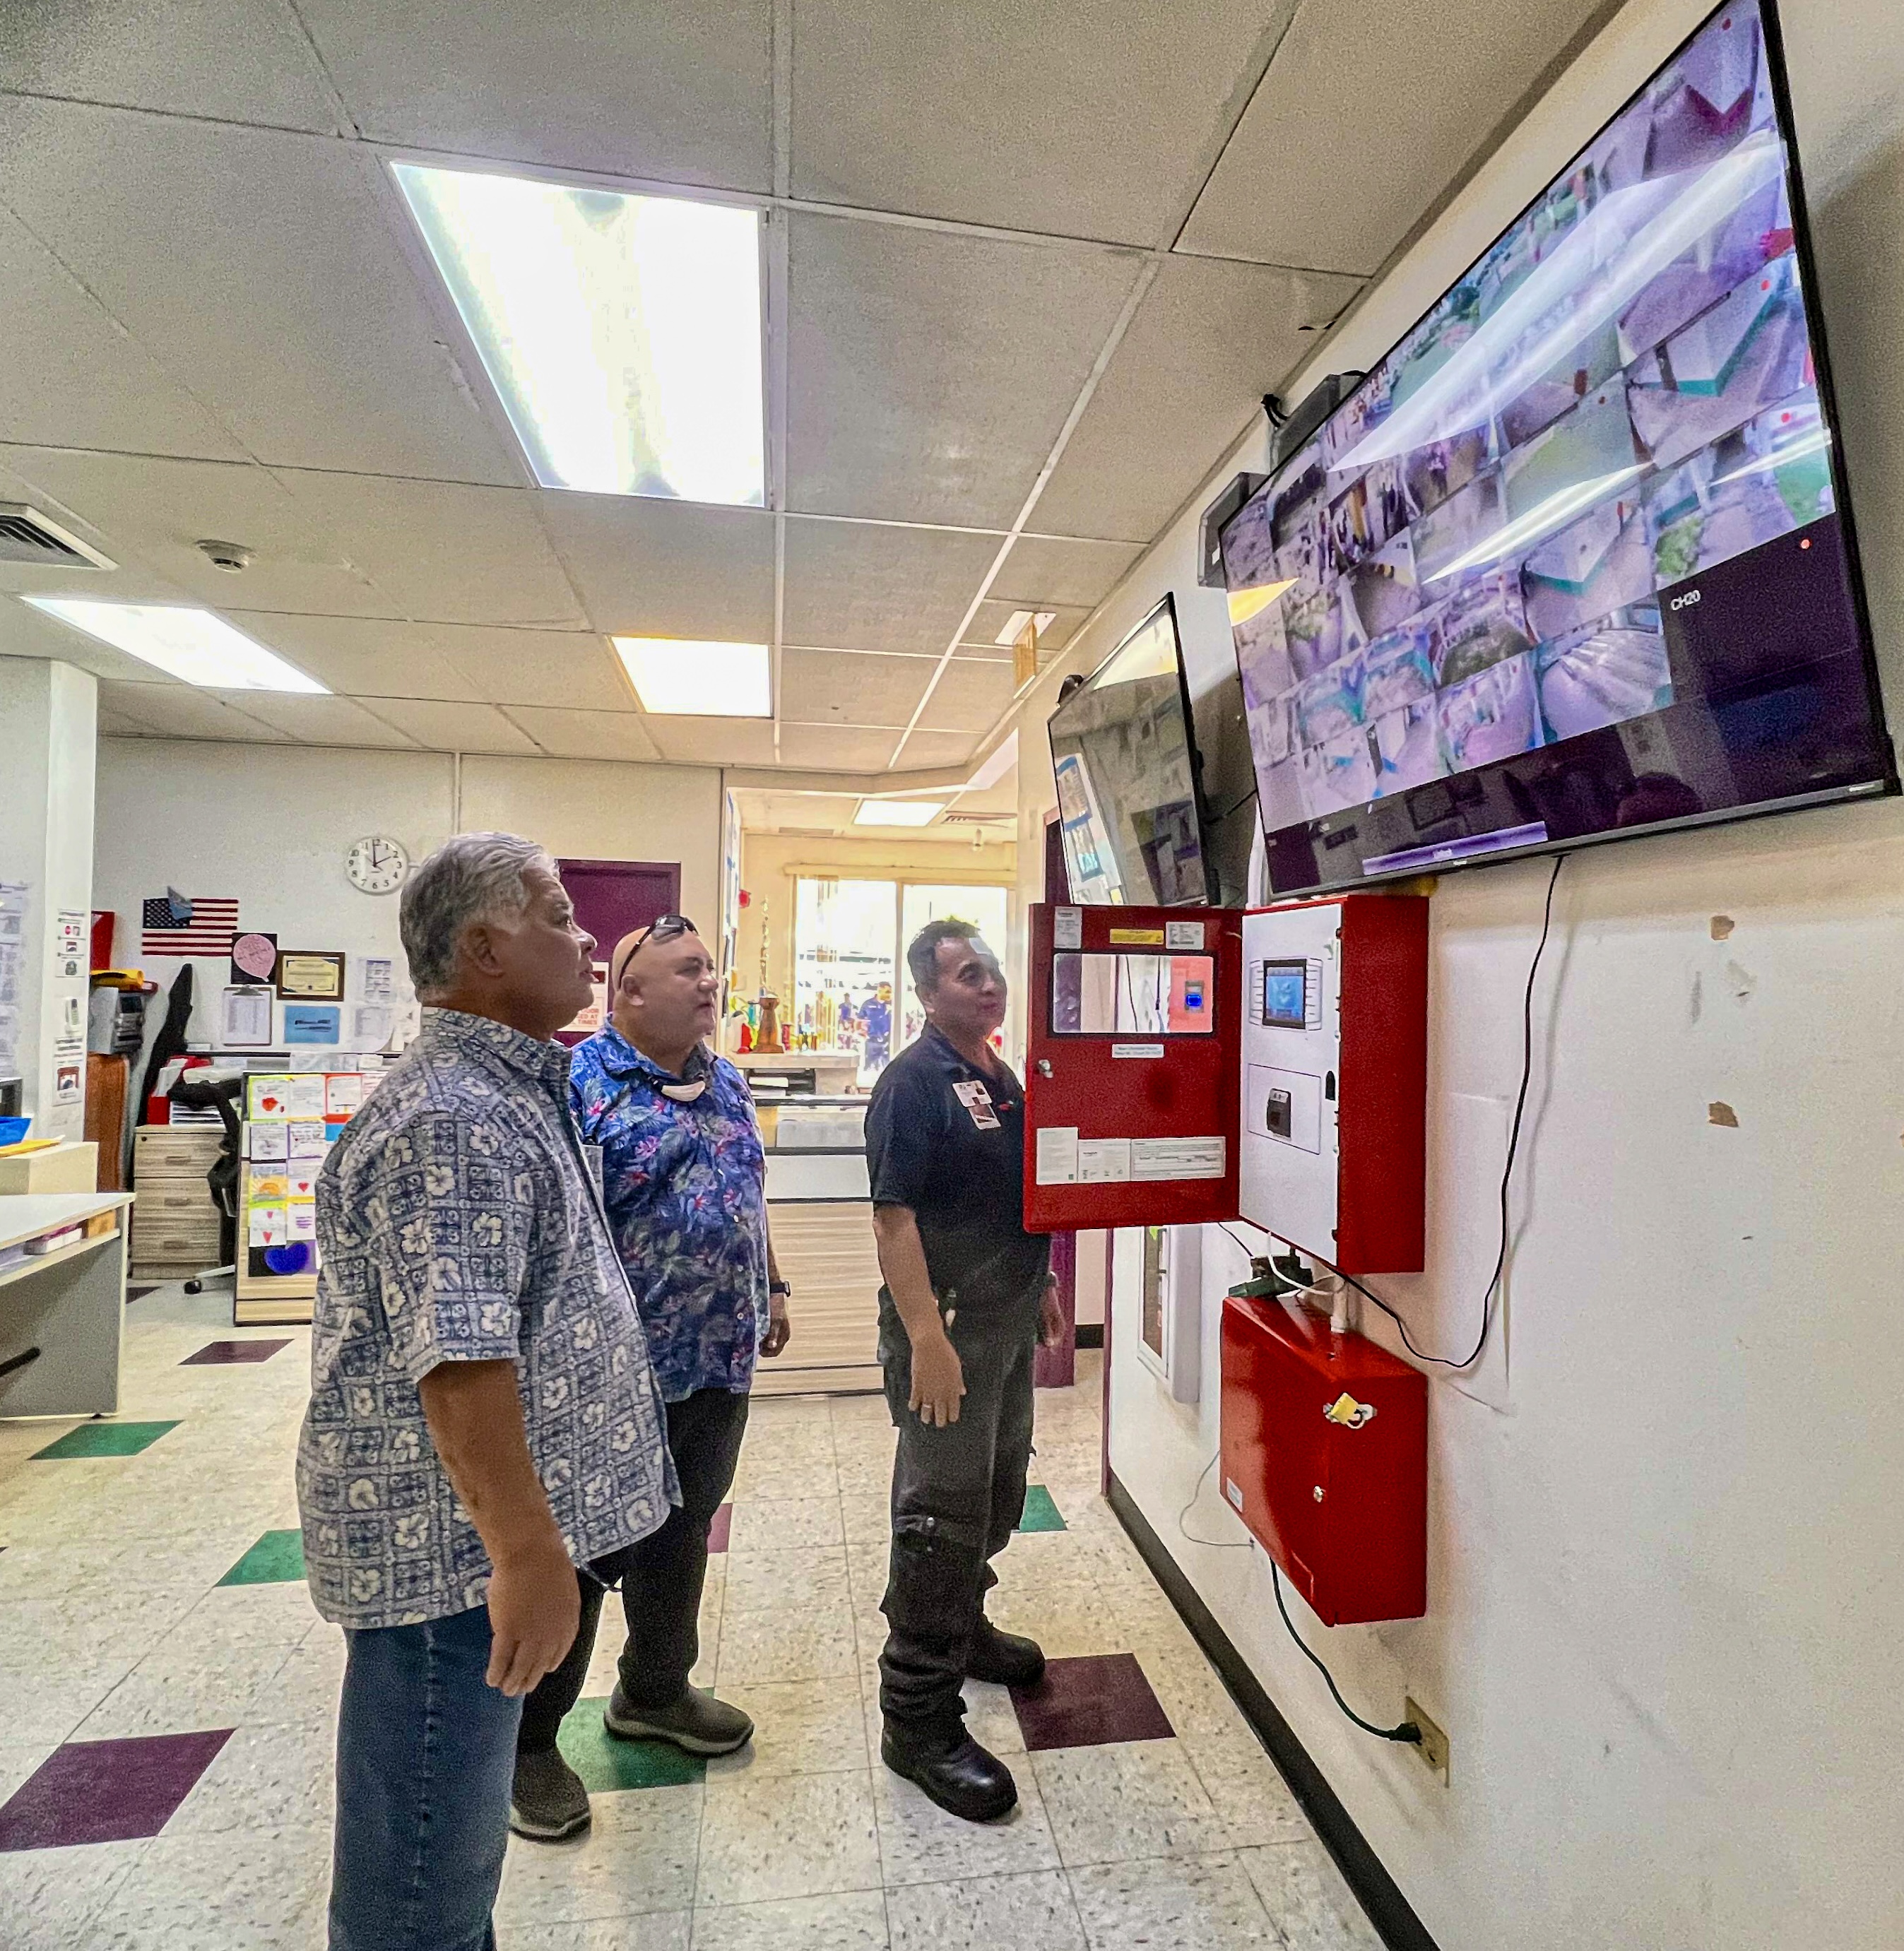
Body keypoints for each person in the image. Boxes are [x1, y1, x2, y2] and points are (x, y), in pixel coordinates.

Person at [297, 834, 675, 1951]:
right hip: (451, 1569)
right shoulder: (452, 1116)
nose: (587, 938)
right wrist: (525, 1554)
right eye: (558, 916)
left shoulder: (508, 1089)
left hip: (472, 1554)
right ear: (483, 948)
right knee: (420, 1887)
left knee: (444, 1864)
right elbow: (460, 1360)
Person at [509, 913, 792, 1840]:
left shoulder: (727, 1079)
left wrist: (772, 1281)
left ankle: (655, 1692)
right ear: (627, 990)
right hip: (611, 1372)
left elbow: (744, 1190)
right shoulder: (576, 1087)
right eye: (687, 970)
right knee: (589, 1550)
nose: (709, 982)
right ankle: (527, 1742)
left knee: (682, 1531)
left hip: (717, 1358)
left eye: (709, 968)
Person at [865, 918, 1064, 1823]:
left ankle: (965, 1625)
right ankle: (916, 1719)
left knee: (994, 1493)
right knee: (938, 1519)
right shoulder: (912, 1083)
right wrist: (926, 1341)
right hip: (944, 1333)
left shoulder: (998, 1073)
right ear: (926, 993)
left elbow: (1012, 1198)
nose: (988, 985)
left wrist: (1043, 1283)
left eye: (990, 971)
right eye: (966, 974)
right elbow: (894, 1220)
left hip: (1004, 1325)